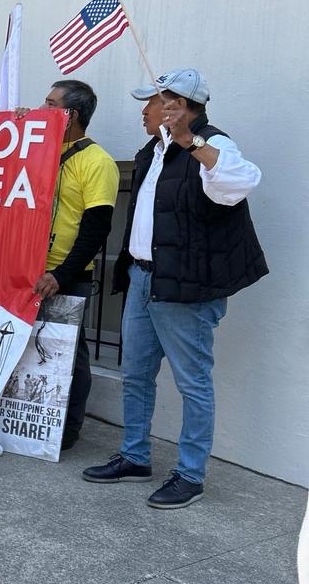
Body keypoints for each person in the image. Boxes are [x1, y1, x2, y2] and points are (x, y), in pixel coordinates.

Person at [83, 69, 266, 508]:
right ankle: (134, 456)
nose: (144, 111)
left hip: (186, 287)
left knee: (192, 382)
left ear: (177, 108)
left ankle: (190, 474)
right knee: (137, 375)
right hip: (145, 279)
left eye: (152, 102)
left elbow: (237, 185)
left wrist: (191, 141)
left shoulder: (213, 144)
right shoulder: (152, 150)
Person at [20, 80, 119, 451]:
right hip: (26, 271)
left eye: (48, 104)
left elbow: (97, 229)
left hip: (65, 277)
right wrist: (16, 128)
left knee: (66, 355)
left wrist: (62, 274)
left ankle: (67, 431)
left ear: (71, 114)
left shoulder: (98, 163)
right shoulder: (40, 149)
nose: (40, 108)